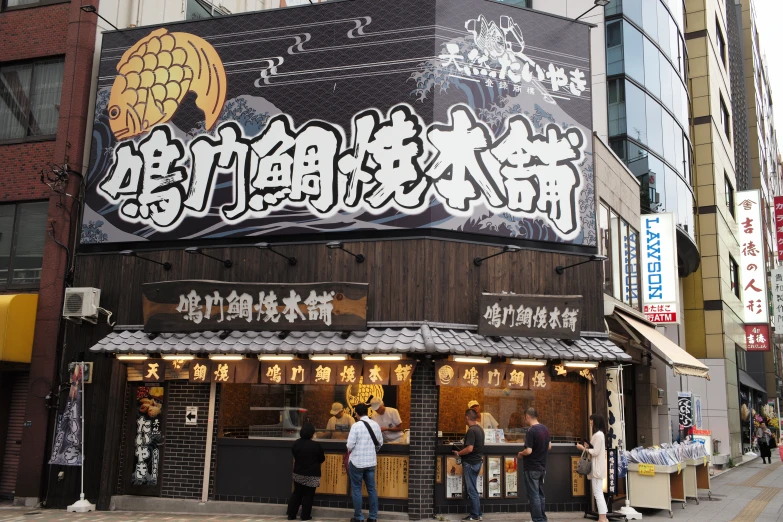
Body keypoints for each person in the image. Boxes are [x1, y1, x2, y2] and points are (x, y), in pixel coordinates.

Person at [347, 403, 383, 522]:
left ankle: (359, 517)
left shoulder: (356, 426)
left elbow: (350, 445)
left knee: (357, 489)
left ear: (356, 413)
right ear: (367, 412)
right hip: (371, 462)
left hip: (357, 462)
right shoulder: (376, 425)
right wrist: (372, 451)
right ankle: (373, 517)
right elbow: (380, 443)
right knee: (371, 489)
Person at [517, 408, 551, 522]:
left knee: (534, 496)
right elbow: (549, 446)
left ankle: (537, 519)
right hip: (542, 467)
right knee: (540, 494)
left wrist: (521, 453)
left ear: (527, 416)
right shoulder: (545, 429)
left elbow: (529, 451)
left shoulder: (531, 431)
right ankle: (542, 518)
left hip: (531, 467)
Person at [287, 423, 325, 521]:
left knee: (297, 493)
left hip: (298, 472)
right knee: (309, 495)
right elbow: (322, 459)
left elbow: (295, 455)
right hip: (312, 474)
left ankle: (291, 515)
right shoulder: (316, 445)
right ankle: (305, 516)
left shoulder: (296, 443)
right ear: (312, 434)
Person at [453, 409, 484, 521]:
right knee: (473, 489)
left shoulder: (471, 431)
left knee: (471, 490)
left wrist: (459, 453)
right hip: (477, 463)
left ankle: (475, 515)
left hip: (470, 463)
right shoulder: (480, 429)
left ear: (467, 417)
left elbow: (469, 448)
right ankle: (478, 513)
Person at [577, 414, 608, 522]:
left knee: (598, 493)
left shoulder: (598, 435)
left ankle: (602, 518)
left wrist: (583, 448)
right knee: (599, 493)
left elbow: (595, 452)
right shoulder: (600, 435)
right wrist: (588, 446)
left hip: (596, 469)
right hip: (599, 467)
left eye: (591, 421)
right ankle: (604, 517)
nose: (590, 423)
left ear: (595, 422)